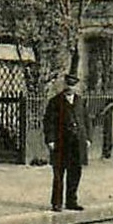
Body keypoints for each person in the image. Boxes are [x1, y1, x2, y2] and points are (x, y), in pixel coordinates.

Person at [43, 73, 89, 211]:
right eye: (68, 85)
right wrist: (50, 139)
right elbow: (48, 122)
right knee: (59, 174)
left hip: (77, 143)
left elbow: (86, 120)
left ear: (77, 87)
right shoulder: (55, 101)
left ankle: (71, 201)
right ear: (64, 85)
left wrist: (88, 138)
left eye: (73, 85)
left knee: (75, 173)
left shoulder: (80, 101)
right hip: (61, 143)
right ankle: (57, 203)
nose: (70, 88)